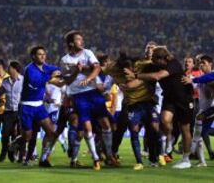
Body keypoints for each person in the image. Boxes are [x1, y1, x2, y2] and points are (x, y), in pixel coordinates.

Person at [125, 46, 194, 169]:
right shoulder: (155, 64)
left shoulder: (174, 63)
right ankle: (168, 142)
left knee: (185, 129)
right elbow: (143, 76)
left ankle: (186, 159)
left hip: (184, 99)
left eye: (156, 60)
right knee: (164, 120)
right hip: (169, 98)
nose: (154, 63)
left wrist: (135, 75)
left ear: (164, 59)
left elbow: (157, 76)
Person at [61, 30, 118, 170]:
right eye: (79, 39)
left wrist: (88, 78)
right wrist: (76, 71)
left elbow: (97, 68)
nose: (82, 41)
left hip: (93, 92)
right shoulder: (65, 60)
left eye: (82, 39)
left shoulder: (87, 53)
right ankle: (95, 158)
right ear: (71, 43)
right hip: (79, 95)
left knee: (105, 123)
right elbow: (67, 80)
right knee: (86, 128)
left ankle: (109, 156)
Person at [0, 61, 23, 163]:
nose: (8, 69)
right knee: (5, 134)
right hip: (8, 112)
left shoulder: (23, 80)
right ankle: (4, 151)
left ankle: (14, 154)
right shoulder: (5, 81)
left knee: (19, 135)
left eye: (10, 67)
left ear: (15, 69)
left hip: (20, 111)